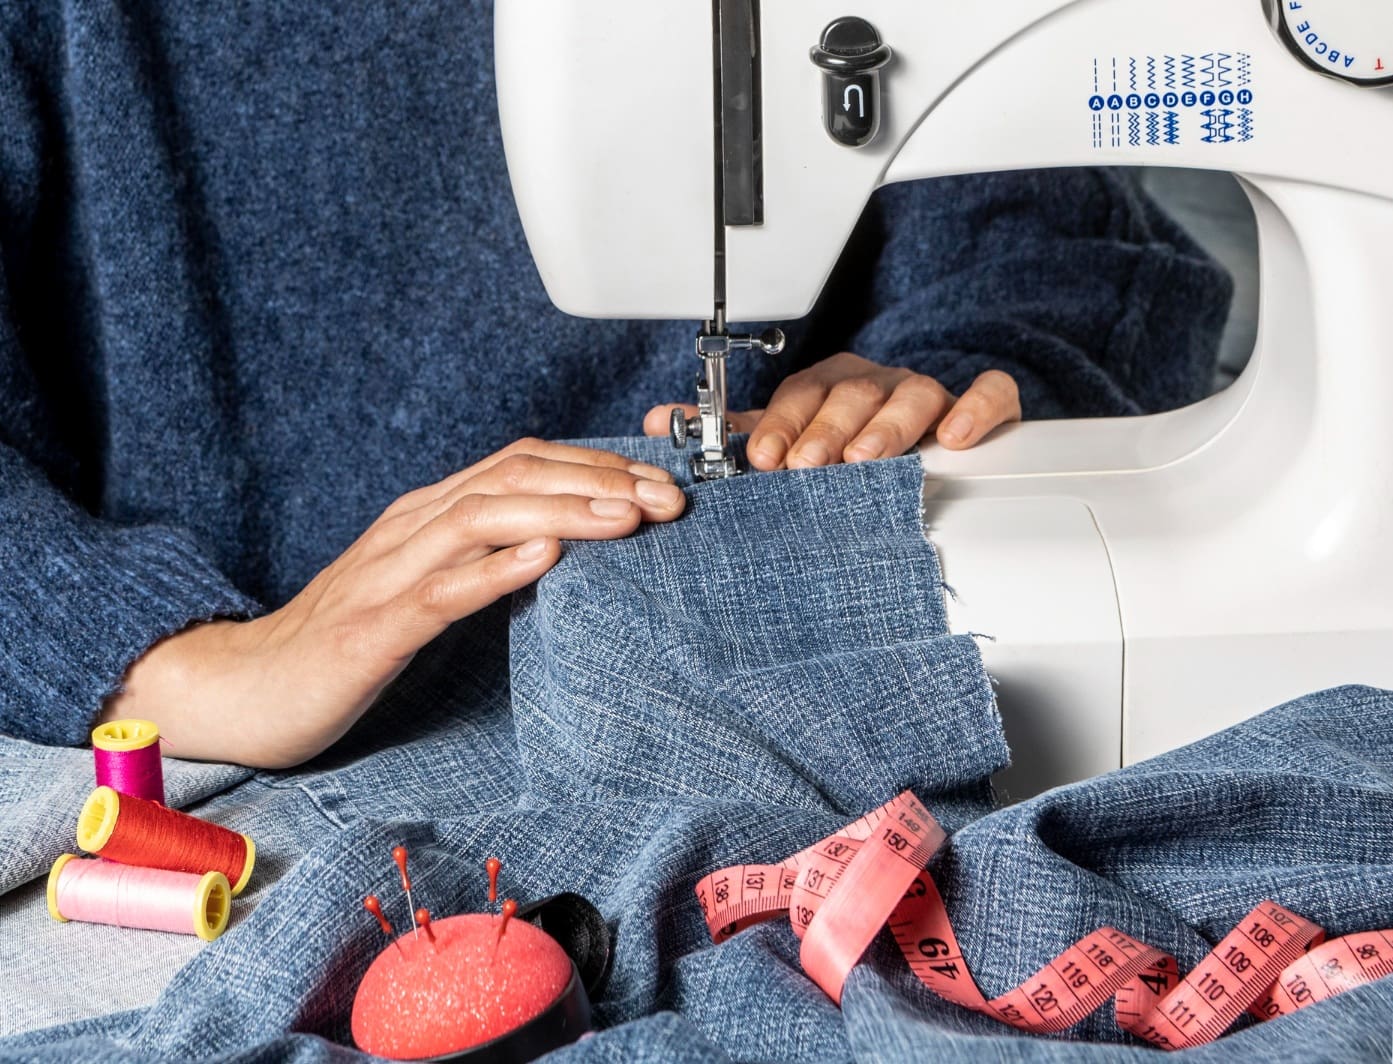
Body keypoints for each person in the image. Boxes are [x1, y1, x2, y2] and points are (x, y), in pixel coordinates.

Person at [0, 3, 1229, 770]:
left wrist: (943, 372)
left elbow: (1051, 243)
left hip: (783, 675)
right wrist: (175, 662)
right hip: (225, 743)